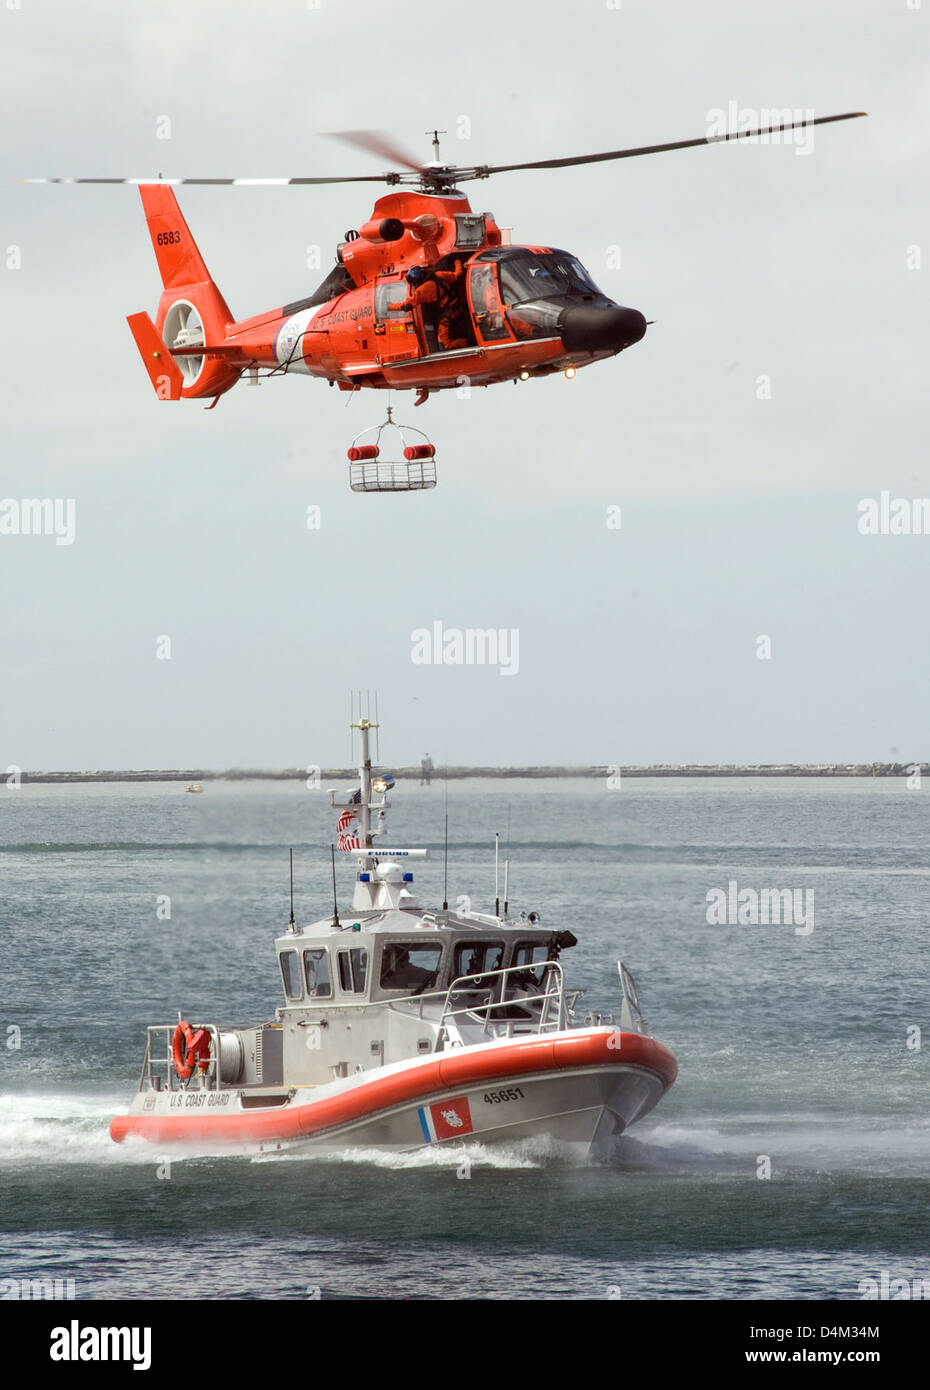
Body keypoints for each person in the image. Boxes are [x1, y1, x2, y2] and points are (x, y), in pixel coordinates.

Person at [390, 263, 468, 351]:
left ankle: (466, 343)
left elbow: (406, 306)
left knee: (445, 345)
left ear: (416, 282)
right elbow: (457, 275)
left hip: (449, 313)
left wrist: (389, 306)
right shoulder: (439, 275)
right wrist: (457, 261)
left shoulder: (422, 291)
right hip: (458, 305)